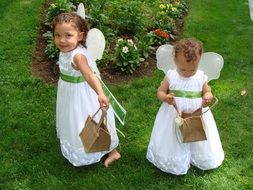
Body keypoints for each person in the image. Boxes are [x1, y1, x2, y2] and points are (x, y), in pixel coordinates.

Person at [146, 38, 224, 175]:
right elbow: (160, 91)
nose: (187, 73)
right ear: (175, 61)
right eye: (183, 69)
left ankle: (197, 155)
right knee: (174, 135)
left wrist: (207, 96)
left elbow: (207, 91)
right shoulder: (171, 76)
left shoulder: (200, 77)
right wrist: (165, 98)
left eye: (192, 69)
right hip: (174, 113)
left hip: (196, 113)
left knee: (197, 132)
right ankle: (174, 158)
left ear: (198, 63)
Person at [52, 12, 120, 167]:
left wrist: (101, 93)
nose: (62, 40)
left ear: (80, 36)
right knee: (73, 119)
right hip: (68, 92)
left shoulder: (77, 56)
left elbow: (89, 75)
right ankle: (83, 144)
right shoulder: (66, 50)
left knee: (90, 120)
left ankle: (113, 151)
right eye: (58, 35)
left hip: (81, 94)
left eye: (68, 35)